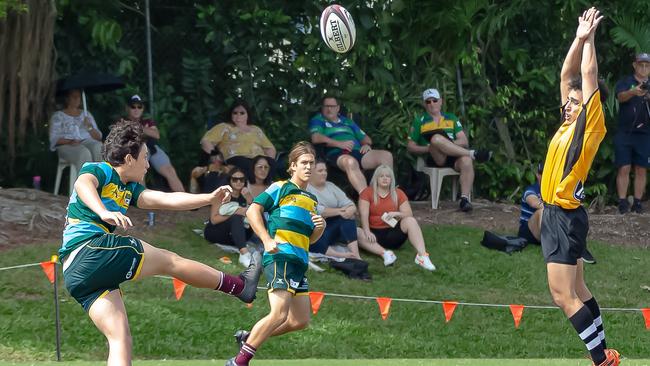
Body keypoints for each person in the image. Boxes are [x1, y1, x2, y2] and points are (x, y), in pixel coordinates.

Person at [59, 120, 263, 366]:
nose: (147, 165)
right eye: (145, 158)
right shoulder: (100, 170)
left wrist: (209, 198)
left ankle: (240, 287)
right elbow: (83, 185)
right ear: (128, 159)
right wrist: (102, 212)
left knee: (120, 339)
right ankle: (239, 286)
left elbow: (165, 199)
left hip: (75, 274)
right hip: (90, 250)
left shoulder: (129, 188)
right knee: (169, 261)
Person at [539, 8, 619, 365]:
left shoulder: (590, 123)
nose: (568, 106)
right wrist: (576, 37)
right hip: (564, 216)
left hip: (563, 218)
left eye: (575, 102)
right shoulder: (569, 122)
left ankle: (600, 358)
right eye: (569, 102)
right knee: (579, 290)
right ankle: (606, 352)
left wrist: (589, 38)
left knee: (562, 296)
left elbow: (586, 73)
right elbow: (566, 74)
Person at [226, 142, 325, 366]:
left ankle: (249, 337)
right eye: (304, 163)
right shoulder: (280, 187)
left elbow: (309, 239)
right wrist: (266, 239)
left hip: (299, 262)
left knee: (299, 321)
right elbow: (252, 210)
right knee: (279, 314)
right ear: (293, 166)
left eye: (312, 163)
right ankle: (238, 362)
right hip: (280, 256)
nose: (309, 167)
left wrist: (320, 227)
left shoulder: (312, 200)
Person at [406, 88, 491, 212]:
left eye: (434, 100)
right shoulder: (420, 121)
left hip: (455, 156)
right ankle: (473, 154)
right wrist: (430, 147)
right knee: (435, 139)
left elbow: (463, 140)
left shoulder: (451, 118)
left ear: (441, 101)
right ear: (425, 104)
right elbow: (410, 146)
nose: (432, 104)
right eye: (428, 102)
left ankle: (464, 199)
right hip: (435, 157)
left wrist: (446, 145)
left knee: (466, 161)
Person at [357, 164, 435, 271]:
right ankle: (385, 254)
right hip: (373, 234)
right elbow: (363, 214)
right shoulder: (367, 192)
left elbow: (409, 213)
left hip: (392, 232)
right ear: (376, 178)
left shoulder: (398, 193)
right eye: (381, 176)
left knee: (410, 221)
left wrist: (397, 214)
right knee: (357, 231)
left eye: (388, 176)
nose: (385, 178)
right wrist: (367, 231)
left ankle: (422, 256)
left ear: (391, 179)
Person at [309, 96, 393, 193]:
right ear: (322, 108)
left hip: (357, 151)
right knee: (350, 162)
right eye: (326, 106)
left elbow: (366, 138)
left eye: (332, 106)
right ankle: (366, 198)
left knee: (386, 156)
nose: (329, 109)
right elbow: (316, 138)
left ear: (338, 108)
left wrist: (366, 145)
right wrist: (339, 144)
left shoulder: (347, 121)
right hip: (337, 153)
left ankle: (384, 195)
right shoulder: (318, 119)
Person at [200, 100, 277, 181]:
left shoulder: (256, 129)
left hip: (258, 159)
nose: (238, 116)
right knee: (246, 164)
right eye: (235, 113)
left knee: (270, 163)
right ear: (231, 114)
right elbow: (206, 141)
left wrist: (267, 161)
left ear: (248, 115)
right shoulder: (224, 127)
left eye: (242, 113)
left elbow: (270, 148)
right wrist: (217, 157)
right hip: (236, 159)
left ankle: (266, 189)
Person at [124, 95, 185, 192]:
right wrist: (145, 130)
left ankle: (185, 199)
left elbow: (156, 134)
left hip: (152, 148)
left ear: (142, 109)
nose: (136, 109)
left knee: (170, 171)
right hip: (134, 151)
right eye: (133, 107)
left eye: (139, 107)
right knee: (140, 171)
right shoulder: (122, 122)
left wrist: (138, 128)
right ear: (127, 108)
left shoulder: (147, 121)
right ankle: (143, 200)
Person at [614, 52, 650, 214]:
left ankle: (637, 202)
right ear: (635, 65)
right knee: (624, 167)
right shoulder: (626, 82)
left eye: (647, 65)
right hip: (625, 132)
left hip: (644, 133)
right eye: (641, 64)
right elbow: (620, 97)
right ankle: (622, 202)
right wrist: (633, 92)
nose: (643, 68)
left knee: (641, 168)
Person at [307, 159, 361, 260]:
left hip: (334, 226)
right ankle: (343, 256)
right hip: (316, 228)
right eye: (320, 171)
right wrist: (340, 211)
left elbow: (349, 204)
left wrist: (349, 210)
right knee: (312, 240)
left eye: (325, 170)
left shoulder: (330, 186)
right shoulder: (305, 189)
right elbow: (317, 210)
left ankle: (356, 255)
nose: (324, 173)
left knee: (348, 219)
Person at [204, 168, 255, 267]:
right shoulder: (222, 195)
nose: (239, 182)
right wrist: (234, 212)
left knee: (256, 215)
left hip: (238, 234)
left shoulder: (245, 195)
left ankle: (271, 243)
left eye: (242, 179)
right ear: (229, 180)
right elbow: (214, 220)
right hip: (217, 232)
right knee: (236, 217)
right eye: (235, 179)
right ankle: (244, 254)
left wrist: (249, 199)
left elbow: (255, 214)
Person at [49, 89, 103, 175]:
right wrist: (70, 141)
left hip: (86, 141)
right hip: (67, 145)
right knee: (84, 152)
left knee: (99, 147)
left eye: (79, 97)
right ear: (67, 99)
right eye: (74, 97)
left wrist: (89, 127)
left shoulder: (86, 114)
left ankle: (102, 181)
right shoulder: (58, 116)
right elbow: (53, 139)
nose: (77, 99)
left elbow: (98, 137)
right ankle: (86, 185)